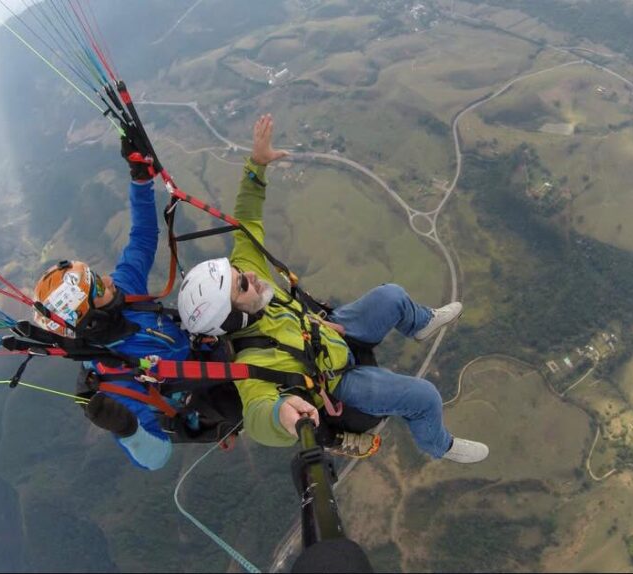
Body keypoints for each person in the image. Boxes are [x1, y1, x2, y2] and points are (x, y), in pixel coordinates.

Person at [176, 114, 489, 463]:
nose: (251, 276)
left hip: (331, 329)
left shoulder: (249, 277)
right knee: (424, 398)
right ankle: (439, 446)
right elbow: (258, 413)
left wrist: (257, 166)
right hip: (339, 381)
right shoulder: (251, 362)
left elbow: (246, 221)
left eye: (238, 271)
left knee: (392, 296)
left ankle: (421, 324)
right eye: (242, 284)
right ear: (232, 317)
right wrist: (281, 415)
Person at [32, 137, 193, 471]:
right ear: (92, 319)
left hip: (207, 348)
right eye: (98, 286)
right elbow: (157, 457)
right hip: (204, 395)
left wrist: (141, 180)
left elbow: (143, 235)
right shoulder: (113, 382)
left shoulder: (125, 289)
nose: (107, 279)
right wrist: (127, 429)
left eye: (95, 275)